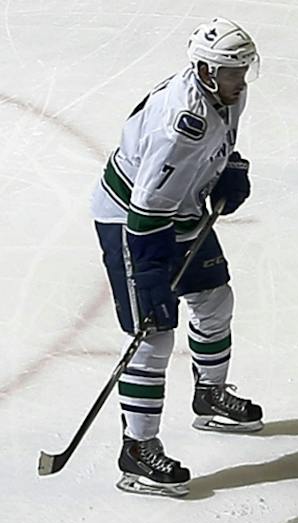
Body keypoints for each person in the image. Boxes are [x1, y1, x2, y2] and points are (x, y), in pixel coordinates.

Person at [90, 18, 263, 496]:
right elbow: (146, 207)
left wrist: (231, 169)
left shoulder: (226, 92)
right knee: (153, 335)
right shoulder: (178, 126)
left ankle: (210, 395)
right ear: (207, 72)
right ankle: (138, 450)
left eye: (244, 70)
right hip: (133, 221)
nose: (241, 80)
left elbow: (222, 142)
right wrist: (147, 276)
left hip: (178, 209)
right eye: (233, 71)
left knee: (215, 300)